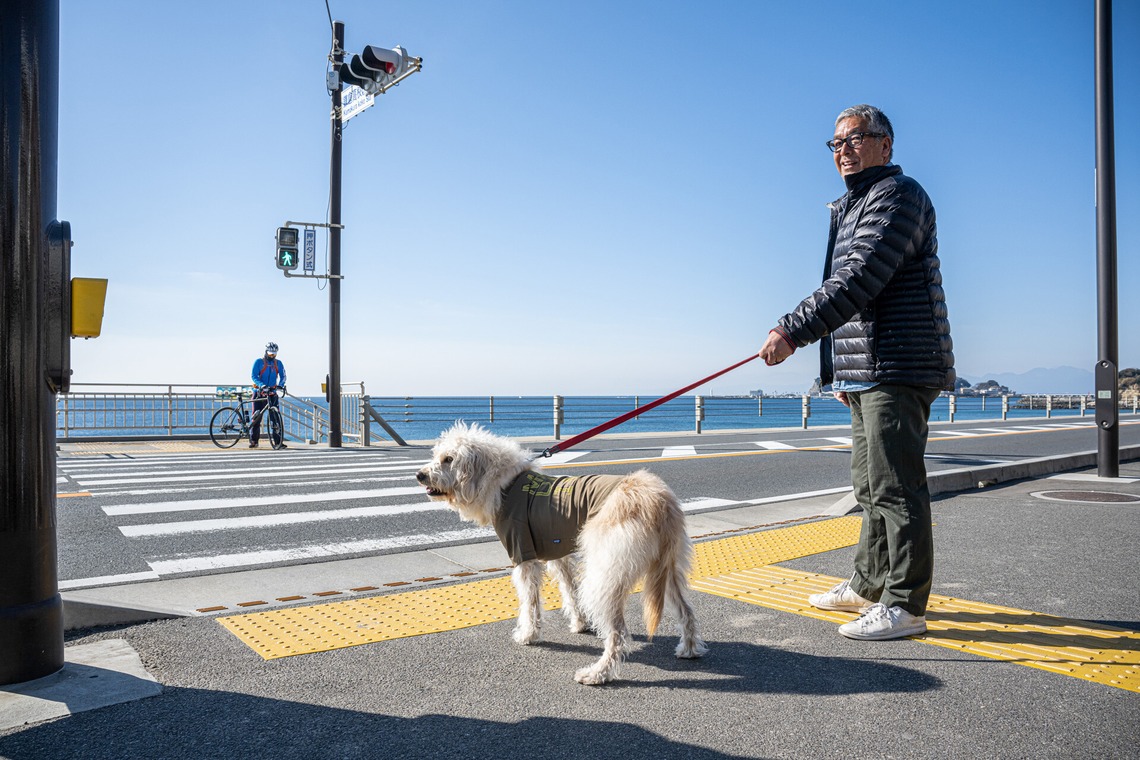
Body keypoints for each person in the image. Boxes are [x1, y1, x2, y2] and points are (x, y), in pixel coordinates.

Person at [758, 104, 954, 641]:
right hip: (868, 369)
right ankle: (869, 585)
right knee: (868, 486)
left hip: (900, 363)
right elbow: (856, 295)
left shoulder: (899, 196)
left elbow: (859, 277)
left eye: (856, 138)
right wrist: (840, 374)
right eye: (836, 142)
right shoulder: (853, 204)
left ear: (886, 145)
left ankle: (905, 603)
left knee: (897, 486)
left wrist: (792, 331)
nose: (843, 149)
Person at [250, 341, 287, 449]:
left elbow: (283, 376)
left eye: (274, 354)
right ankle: (254, 441)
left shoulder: (278, 363)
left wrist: (281, 385)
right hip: (259, 393)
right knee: (256, 418)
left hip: (272, 393)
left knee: (275, 419)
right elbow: (254, 376)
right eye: (270, 353)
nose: (272, 355)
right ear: (266, 352)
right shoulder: (258, 362)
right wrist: (262, 385)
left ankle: (278, 442)